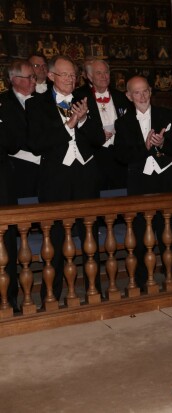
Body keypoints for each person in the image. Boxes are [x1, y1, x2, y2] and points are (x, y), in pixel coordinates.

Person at [26, 55, 104, 303]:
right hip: (55, 179)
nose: (71, 79)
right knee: (56, 239)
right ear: (51, 76)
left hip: (85, 176)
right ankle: (52, 293)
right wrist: (69, 124)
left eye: (73, 75)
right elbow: (37, 144)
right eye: (65, 75)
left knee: (90, 236)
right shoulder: (36, 105)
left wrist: (82, 121)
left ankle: (96, 290)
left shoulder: (85, 100)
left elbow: (98, 138)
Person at [113, 76, 172, 290]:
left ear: (150, 91)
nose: (142, 96)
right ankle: (143, 279)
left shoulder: (166, 114)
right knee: (141, 231)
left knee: (170, 228)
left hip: (167, 180)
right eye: (136, 92)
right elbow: (121, 156)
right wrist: (144, 147)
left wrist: (163, 143)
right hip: (139, 182)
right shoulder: (123, 123)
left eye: (145, 91)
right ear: (128, 96)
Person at [74, 58, 131, 190]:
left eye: (106, 72)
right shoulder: (79, 96)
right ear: (89, 76)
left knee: (121, 196)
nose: (104, 76)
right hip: (93, 156)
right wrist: (97, 135)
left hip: (118, 155)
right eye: (99, 73)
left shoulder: (120, 96)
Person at [0, 59, 40, 199]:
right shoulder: (3, 103)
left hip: (45, 167)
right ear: (15, 79)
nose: (34, 80)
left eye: (34, 77)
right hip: (18, 169)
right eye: (30, 77)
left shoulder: (42, 100)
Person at [0, 81, 20, 312]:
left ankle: (10, 297)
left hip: (3, 182)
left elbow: (13, 143)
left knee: (7, 242)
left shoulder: (5, 106)